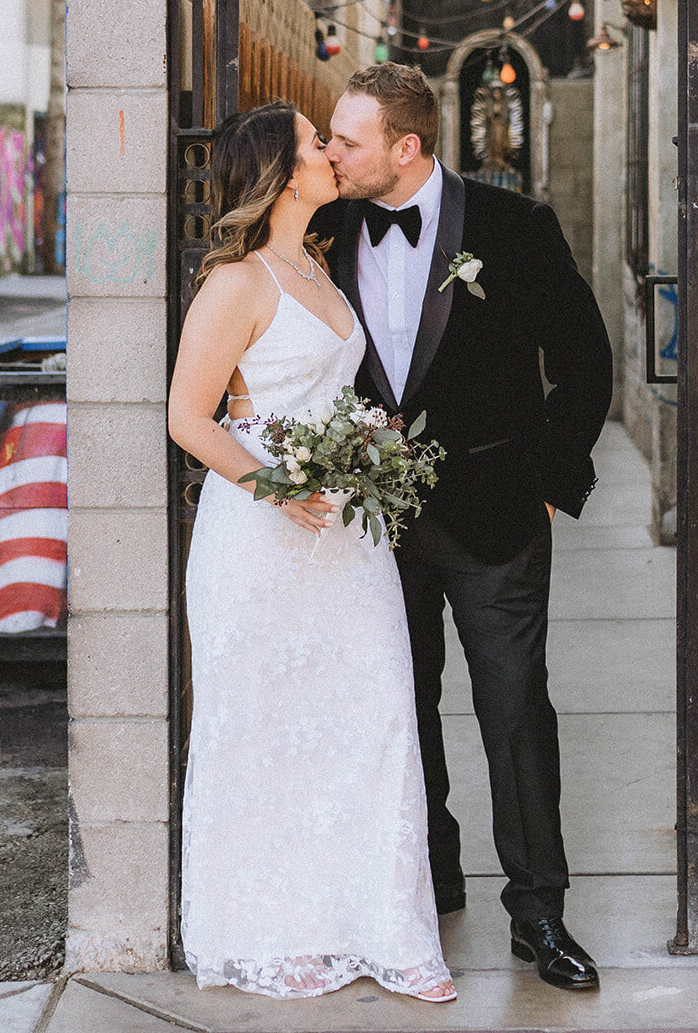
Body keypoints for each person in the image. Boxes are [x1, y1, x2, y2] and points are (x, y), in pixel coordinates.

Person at [313, 63, 613, 991]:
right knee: (399, 709)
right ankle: (431, 877)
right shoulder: (323, 230)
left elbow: (584, 359)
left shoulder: (515, 229)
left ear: (406, 147)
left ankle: (539, 912)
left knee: (515, 711)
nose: (331, 152)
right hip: (374, 527)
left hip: (497, 519)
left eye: (347, 140)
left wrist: (551, 481)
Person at [168, 101, 455, 1004]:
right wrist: (279, 488)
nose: (333, 154)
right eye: (314, 144)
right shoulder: (238, 281)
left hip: (345, 541)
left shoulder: (320, 266)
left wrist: (369, 458)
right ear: (283, 172)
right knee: (262, 732)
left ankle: (384, 927)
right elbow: (186, 418)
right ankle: (269, 931)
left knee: (370, 720)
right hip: (260, 538)